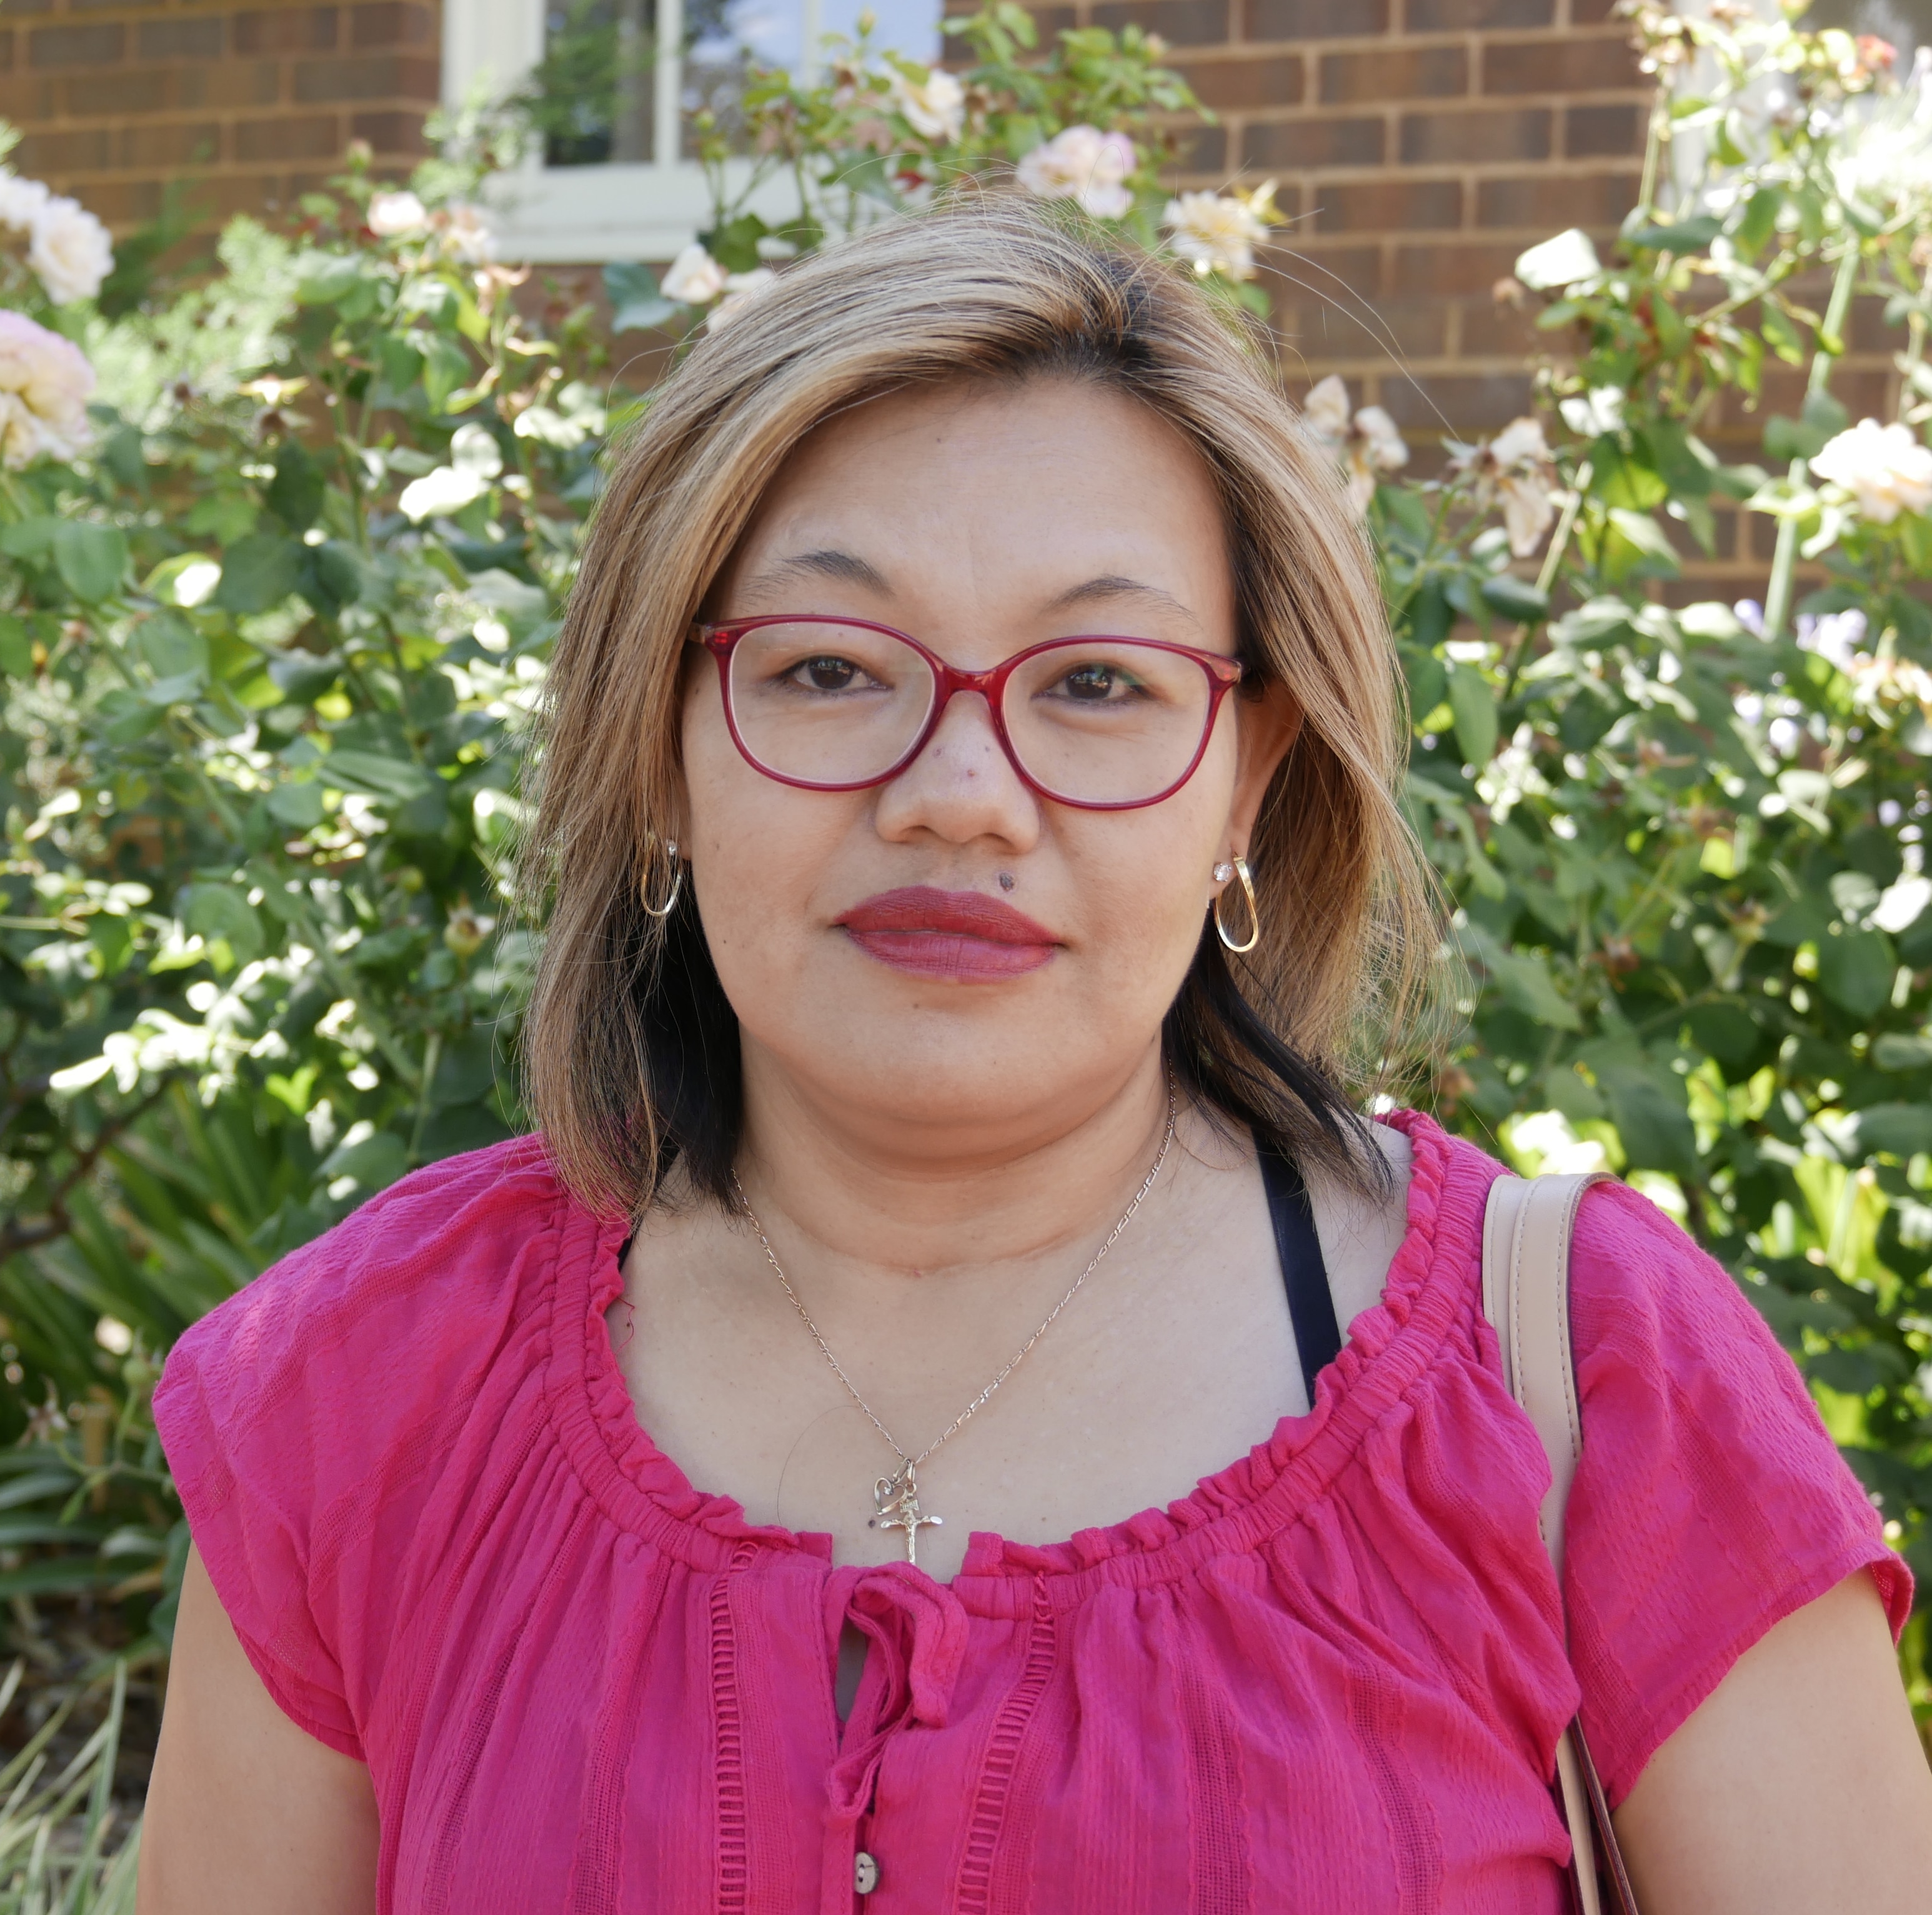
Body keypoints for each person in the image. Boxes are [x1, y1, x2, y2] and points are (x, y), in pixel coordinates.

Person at [134, 196, 1932, 1912]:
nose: (960, 798)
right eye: (832, 669)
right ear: (659, 752)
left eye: (1097, 684)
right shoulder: (361, 1392)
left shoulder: (1588, 1380)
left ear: (1251, 776)